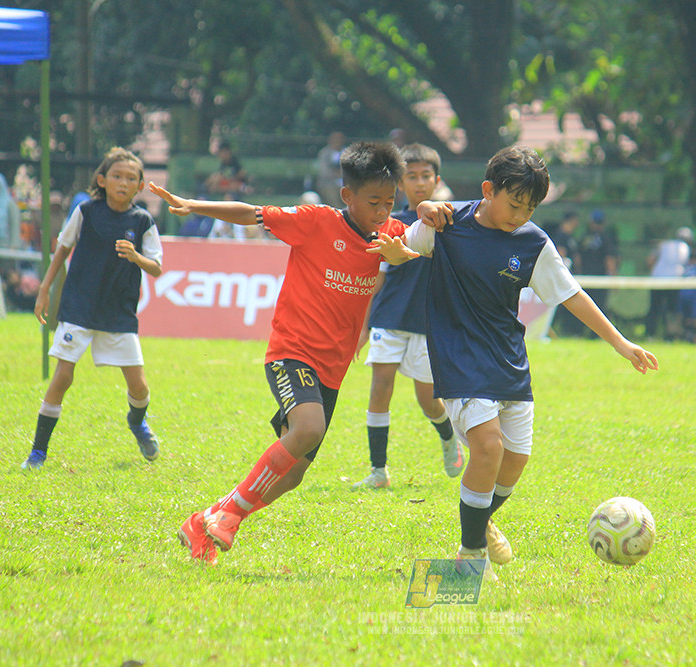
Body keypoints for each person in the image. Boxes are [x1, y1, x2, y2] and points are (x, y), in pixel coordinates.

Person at [383, 146, 658, 580]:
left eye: (530, 208)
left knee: (514, 460)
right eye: (514, 204)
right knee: (488, 448)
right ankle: (470, 555)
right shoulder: (447, 223)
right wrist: (403, 238)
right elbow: (402, 248)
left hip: (508, 358)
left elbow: (571, 294)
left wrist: (620, 343)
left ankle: (481, 521)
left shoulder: (533, 242)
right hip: (459, 357)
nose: (520, 215)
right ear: (488, 190)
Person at [149, 141, 417, 565]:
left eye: (390, 202)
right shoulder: (316, 221)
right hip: (293, 352)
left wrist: (404, 253)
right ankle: (230, 516)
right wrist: (193, 205)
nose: (383, 211)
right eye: (373, 203)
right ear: (347, 195)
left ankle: (205, 520)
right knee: (308, 428)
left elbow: (425, 237)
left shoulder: (391, 234)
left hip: (333, 368)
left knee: (293, 476)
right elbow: (252, 213)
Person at [21, 147, 164, 470]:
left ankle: (137, 422)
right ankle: (38, 452)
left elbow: (156, 267)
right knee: (63, 376)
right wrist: (44, 289)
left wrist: (136, 256)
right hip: (79, 307)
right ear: (102, 180)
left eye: (131, 178)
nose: (123, 182)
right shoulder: (86, 211)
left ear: (140, 186)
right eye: (117, 176)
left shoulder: (142, 221)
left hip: (118, 312)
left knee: (139, 386)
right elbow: (62, 249)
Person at [352, 144, 463, 490]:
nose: (419, 183)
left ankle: (449, 437)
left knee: (428, 400)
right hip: (389, 316)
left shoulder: (451, 225)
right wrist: (363, 326)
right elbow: (377, 278)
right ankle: (378, 471)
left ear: (437, 180)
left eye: (425, 176)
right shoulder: (390, 224)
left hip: (428, 322)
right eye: (411, 176)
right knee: (380, 386)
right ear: (400, 183)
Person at [646, 227, 693, 340]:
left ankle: (650, 334)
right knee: (671, 310)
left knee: (654, 308)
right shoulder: (685, 248)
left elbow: (650, 260)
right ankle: (670, 336)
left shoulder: (664, 245)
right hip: (673, 281)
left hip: (657, 279)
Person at [577, 209, 618, 330]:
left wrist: (578, 272)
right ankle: (595, 333)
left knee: (583, 305)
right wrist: (613, 277)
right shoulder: (606, 238)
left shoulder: (584, 236)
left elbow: (577, 258)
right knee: (599, 307)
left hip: (585, 277)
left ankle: (579, 331)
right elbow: (609, 259)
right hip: (600, 278)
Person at [315, 131, 346, 206]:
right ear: (330, 140)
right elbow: (324, 171)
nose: (337, 141)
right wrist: (338, 174)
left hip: (346, 184)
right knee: (332, 194)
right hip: (328, 184)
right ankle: (338, 212)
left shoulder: (347, 152)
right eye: (335, 139)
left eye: (339, 139)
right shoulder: (324, 153)